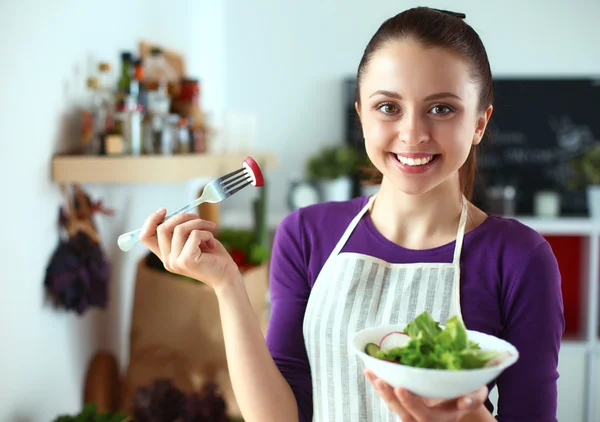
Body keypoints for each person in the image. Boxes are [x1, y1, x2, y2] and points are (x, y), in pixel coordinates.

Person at [139, 6, 565, 422]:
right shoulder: (305, 234)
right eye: (388, 107)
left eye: (442, 108)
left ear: (479, 123)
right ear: (361, 116)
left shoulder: (520, 258)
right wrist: (226, 284)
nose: (413, 133)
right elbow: (282, 416)